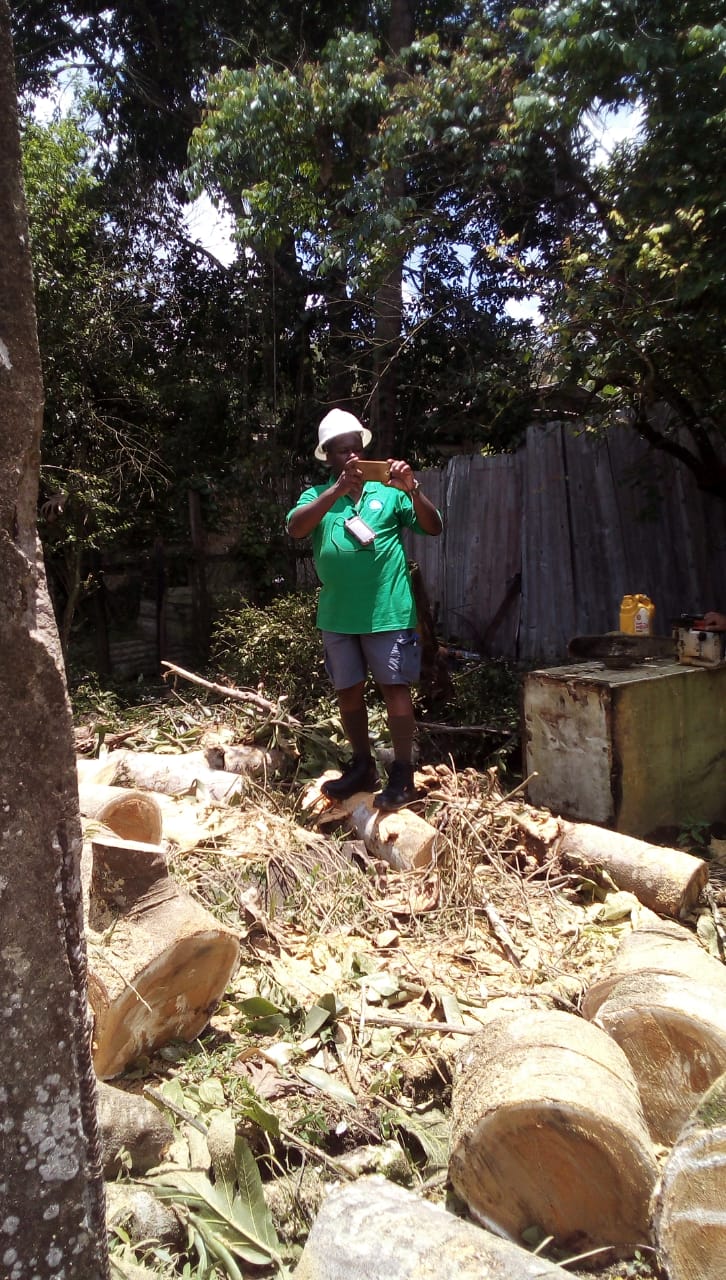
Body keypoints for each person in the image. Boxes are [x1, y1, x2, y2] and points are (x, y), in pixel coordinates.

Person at [286, 408, 443, 810]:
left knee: (395, 689)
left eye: (356, 449)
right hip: (338, 616)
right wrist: (336, 492)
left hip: (388, 612)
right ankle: (362, 766)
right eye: (342, 451)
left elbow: (433, 526)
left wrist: (412, 489)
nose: (352, 457)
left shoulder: (389, 493)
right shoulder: (317, 496)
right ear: (328, 457)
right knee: (348, 693)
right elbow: (296, 528)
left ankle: (404, 773)